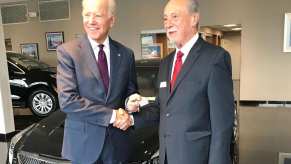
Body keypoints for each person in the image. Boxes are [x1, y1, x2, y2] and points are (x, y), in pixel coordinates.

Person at [128, 0, 235, 164]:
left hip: (197, 157)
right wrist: (132, 118)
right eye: (165, 19)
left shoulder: (215, 58)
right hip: (166, 156)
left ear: (194, 19)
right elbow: (162, 107)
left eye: (174, 16)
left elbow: (222, 125)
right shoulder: (166, 63)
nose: (168, 23)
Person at [57, 0, 137, 163]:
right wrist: (113, 115)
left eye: (98, 15)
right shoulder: (68, 52)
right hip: (83, 146)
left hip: (117, 144)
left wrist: (132, 101)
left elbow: (130, 91)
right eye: (87, 15)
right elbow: (68, 101)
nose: (91, 21)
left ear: (112, 20)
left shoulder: (126, 54)